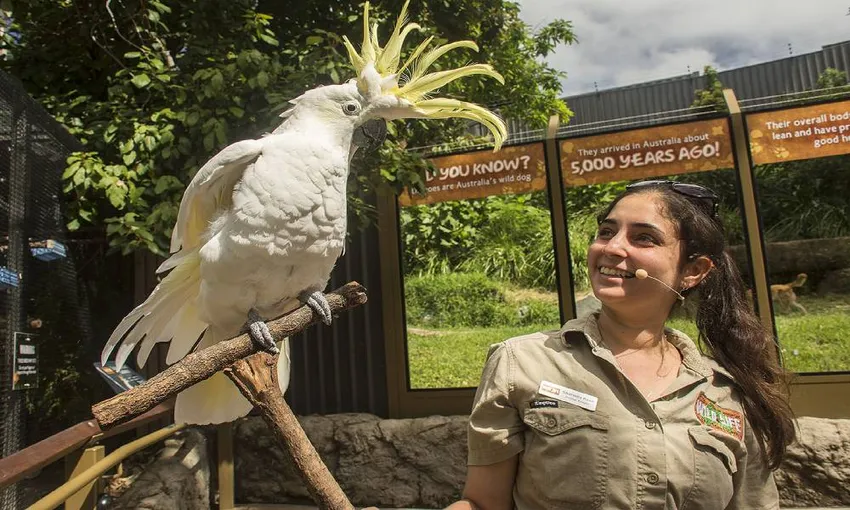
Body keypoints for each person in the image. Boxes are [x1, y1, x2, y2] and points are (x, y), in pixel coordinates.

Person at [447, 180, 796, 510]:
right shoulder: (520, 361)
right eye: (606, 232)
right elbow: (482, 503)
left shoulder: (726, 390)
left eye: (644, 238)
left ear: (693, 270)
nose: (612, 248)